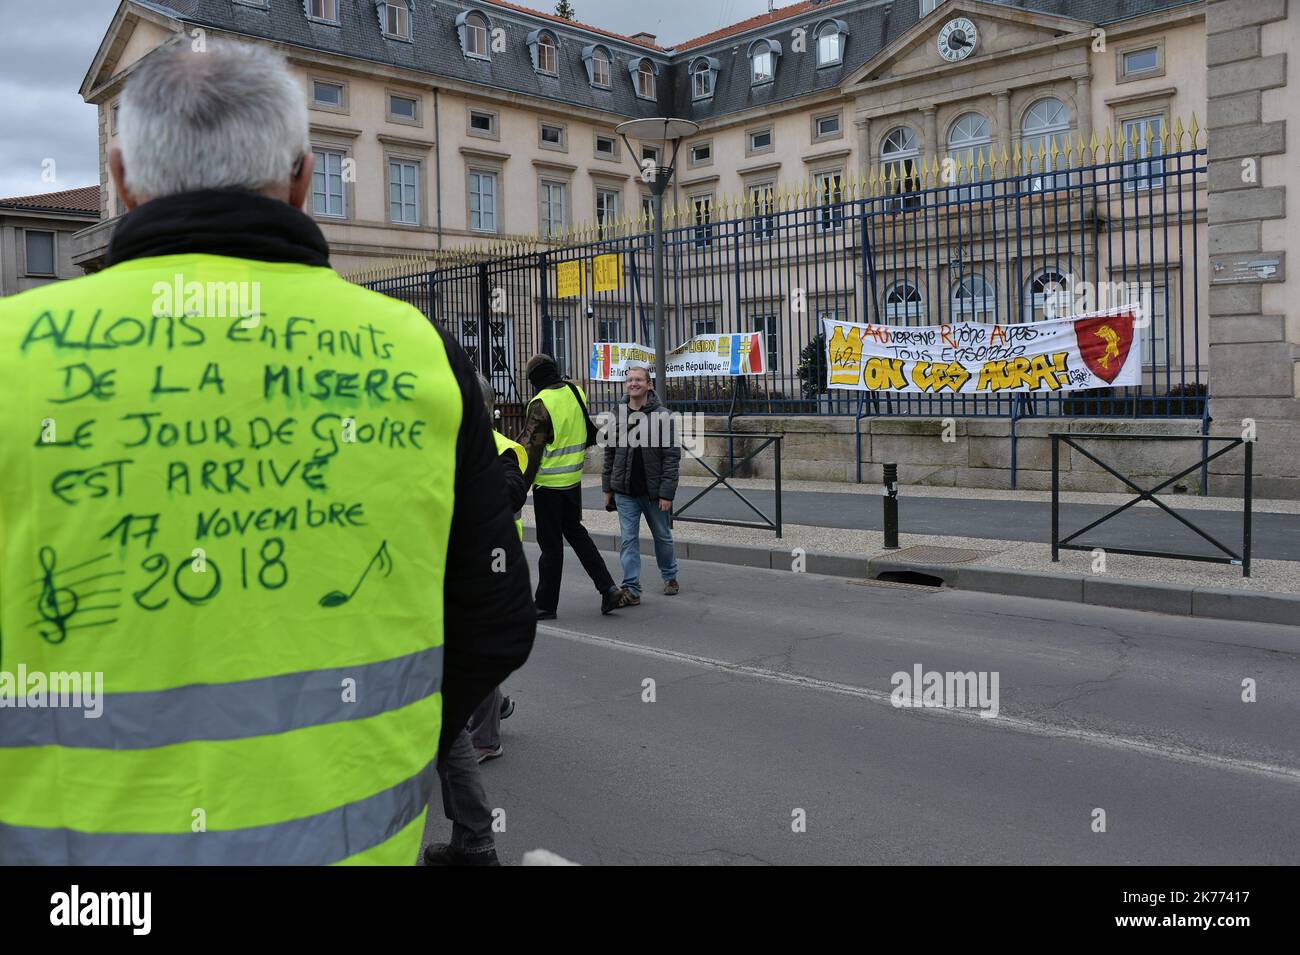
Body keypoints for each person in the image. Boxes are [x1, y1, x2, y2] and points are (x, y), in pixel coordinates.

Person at [0, 40, 534, 866]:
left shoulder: (13, 355)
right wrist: (383, 741)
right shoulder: (416, 351)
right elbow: (495, 621)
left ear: (120, 175)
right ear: (301, 175)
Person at [425, 375, 528, 866]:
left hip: (471, 585)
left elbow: (509, 494)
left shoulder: (498, 449)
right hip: (451, 585)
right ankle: (473, 838)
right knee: (443, 714)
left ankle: (475, 839)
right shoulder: (436, 445)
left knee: (445, 712)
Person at [519, 354, 629, 619]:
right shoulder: (575, 391)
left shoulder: (540, 404)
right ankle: (609, 589)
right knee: (579, 538)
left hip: (549, 485)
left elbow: (530, 450)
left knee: (551, 548)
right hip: (572, 483)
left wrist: (519, 487)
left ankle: (545, 605)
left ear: (535, 379)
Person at [602, 366, 681, 603]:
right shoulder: (616, 415)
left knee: (662, 536)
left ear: (649, 385)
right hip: (625, 491)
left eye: (638, 380)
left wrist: (667, 494)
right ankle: (632, 589)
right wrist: (607, 488)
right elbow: (610, 454)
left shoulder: (663, 416)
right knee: (628, 540)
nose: (633, 383)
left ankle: (670, 575)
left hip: (654, 493)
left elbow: (671, 457)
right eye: (629, 380)